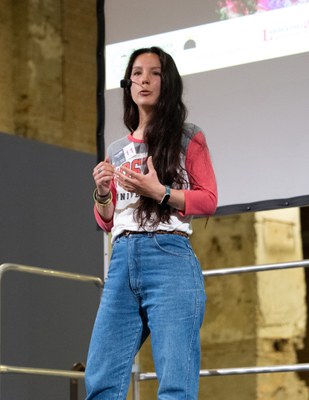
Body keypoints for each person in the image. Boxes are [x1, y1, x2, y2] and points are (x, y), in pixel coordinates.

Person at [85, 46, 218, 400]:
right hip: (122, 258)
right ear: (128, 84)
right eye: (137, 73)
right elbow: (107, 220)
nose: (144, 79)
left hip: (169, 256)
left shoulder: (188, 136)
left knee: (175, 385)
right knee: (101, 382)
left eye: (154, 72)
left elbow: (208, 199)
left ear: (167, 81)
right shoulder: (115, 149)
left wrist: (159, 191)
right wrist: (102, 192)